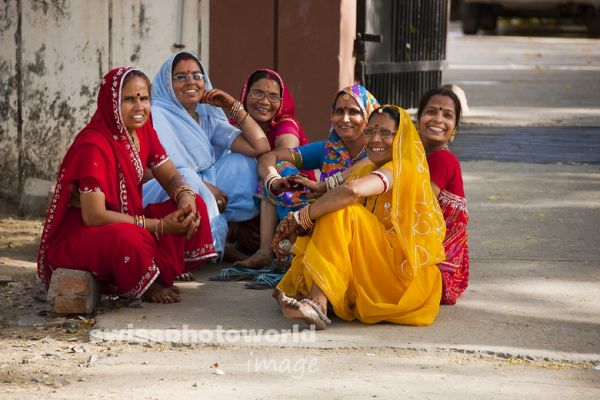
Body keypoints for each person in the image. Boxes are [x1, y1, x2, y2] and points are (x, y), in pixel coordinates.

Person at [37, 67, 217, 304]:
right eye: (129, 99)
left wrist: (185, 198)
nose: (139, 107)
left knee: (197, 206)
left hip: (127, 223)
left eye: (144, 99)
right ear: (112, 103)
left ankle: (156, 271)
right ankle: (147, 284)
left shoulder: (143, 133)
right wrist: (160, 225)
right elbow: (94, 216)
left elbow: (171, 177)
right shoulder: (93, 144)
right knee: (129, 238)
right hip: (83, 237)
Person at [271, 105, 446, 329]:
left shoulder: (402, 167)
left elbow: (351, 191)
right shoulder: (369, 166)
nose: (375, 139)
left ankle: (318, 302)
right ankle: (321, 296)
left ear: (400, 137)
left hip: (401, 275)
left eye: (385, 133)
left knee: (342, 208)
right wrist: (308, 219)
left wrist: (301, 217)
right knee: (331, 211)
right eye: (370, 131)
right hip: (377, 261)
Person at [142, 52, 270, 267]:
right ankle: (208, 244)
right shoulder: (155, 115)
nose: (191, 81)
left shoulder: (207, 117)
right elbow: (145, 173)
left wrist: (232, 105)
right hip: (163, 189)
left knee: (246, 163)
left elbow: (260, 147)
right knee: (188, 176)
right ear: (167, 84)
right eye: (181, 77)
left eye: (197, 75)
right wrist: (200, 185)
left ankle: (220, 234)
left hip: (200, 185)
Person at [234, 85, 379, 271]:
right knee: (281, 169)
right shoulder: (328, 149)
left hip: (356, 226)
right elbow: (269, 157)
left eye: (353, 112)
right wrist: (273, 180)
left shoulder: (377, 149)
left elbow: (366, 166)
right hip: (319, 215)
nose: (344, 119)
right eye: (339, 111)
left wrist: (325, 186)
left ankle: (299, 257)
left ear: (368, 116)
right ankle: (265, 252)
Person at [416, 87, 470, 305]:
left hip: (437, 273)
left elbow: (417, 207)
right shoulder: (419, 156)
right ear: (418, 119)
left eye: (447, 115)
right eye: (431, 112)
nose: (438, 119)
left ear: (454, 129)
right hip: (438, 269)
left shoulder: (443, 160)